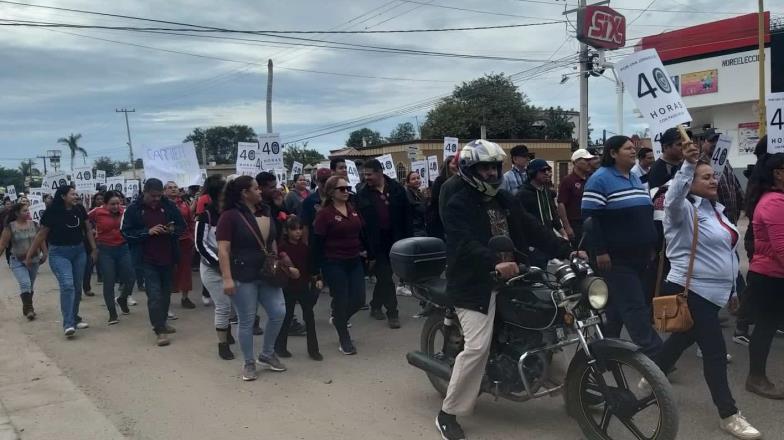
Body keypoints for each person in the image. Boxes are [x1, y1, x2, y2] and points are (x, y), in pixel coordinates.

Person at [436, 140, 574, 440]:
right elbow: (463, 243)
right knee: (476, 348)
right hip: (474, 284)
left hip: (516, 277)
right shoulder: (458, 203)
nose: (490, 173)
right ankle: (449, 412)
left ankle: (572, 395)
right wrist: (494, 262)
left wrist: (567, 249)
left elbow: (533, 226)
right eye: (483, 168)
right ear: (470, 170)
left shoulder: (506, 198)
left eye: (494, 167)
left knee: (547, 331)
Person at [651, 142, 761, 439]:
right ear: (690, 183)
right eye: (706, 177)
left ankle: (651, 373)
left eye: (714, 176)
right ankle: (729, 414)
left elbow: (727, 253)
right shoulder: (682, 211)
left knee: (683, 337)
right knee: (714, 350)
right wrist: (687, 166)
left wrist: (733, 291)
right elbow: (674, 197)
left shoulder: (719, 211)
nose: (713, 180)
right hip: (692, 288)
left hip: (715, 292)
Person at [581, 136, 662, 358]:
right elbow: (590, 219)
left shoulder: (635, 178)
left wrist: (650, 245)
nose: (632, 151)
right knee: (635, 307)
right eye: (627, 148)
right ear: (613, 153)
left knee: (616, 309)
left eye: (633, 148)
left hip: (640, 256)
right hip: (616, 259)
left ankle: (601, 354)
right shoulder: (599, 180)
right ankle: (657, 356)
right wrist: (600, 251)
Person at [217, 176, 287, 381]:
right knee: (246, 320)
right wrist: (227, 278)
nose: (260, 191)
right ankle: (248, 362)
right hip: (243, 275)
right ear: (244, 193)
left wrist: (279, 263)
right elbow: (223, 249)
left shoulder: (265, 210)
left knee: (278, 312)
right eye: (256, 188)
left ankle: (266, 354)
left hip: (267, 273)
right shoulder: (229, 216)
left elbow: (271, 240)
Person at [121, 178, 186, 347]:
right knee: (155, 295)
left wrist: (172, 229)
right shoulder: (134, 209)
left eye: (159, 195)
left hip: (168, 256)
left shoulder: (169, 206)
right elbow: (126, 233)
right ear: (145, 192)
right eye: (153, 196)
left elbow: (182, 226)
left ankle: (162, 322)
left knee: (165, 294)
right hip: (146, 259)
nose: (157, 199)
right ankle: (159, 331)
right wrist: (147, 232)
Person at [26, 185, 97, 337]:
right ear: (63, 196)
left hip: (79, 252)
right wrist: (30, 255)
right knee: (67, 285)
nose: (76, 196)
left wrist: (94, 249)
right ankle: (68, 324)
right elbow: (41, 235)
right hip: (59, 253)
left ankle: (75, 317)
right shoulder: (52, 212)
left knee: (77, 288)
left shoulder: (80, 209)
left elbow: (88, 229)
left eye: (76, 193)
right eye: (72, 194)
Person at [312, 176, 369, 355]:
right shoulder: (324, 214)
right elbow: (317, 242)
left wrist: (366, 250)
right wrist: (316, 270)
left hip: (354, 260)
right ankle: (344, 338)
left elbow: (361, 232)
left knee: (359, 299)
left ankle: (338, 319)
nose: (346, 191)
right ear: (331, 192)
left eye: (347, 188)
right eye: (341, 189)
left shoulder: (352, 209)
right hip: (333, 262)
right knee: (341, 298)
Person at [744, 152, 784, 400]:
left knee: (767, 326)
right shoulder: (774, 203)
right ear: (778, 173)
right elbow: (782, 247)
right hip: (771, 277)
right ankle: (756, 377)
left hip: (774, 275)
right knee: (765, 327)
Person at [356, 159, 412, 329]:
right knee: (386, 277)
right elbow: (360, 223)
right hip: (375, 243)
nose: (366, 178)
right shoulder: (362, 194)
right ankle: (392, 313)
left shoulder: (397, 189)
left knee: (385, 277)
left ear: (379, 172)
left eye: (369, 174)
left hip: (395, 240)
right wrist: (363, 247)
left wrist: (409, 240)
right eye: (364, 175)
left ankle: (375, 305)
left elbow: (407, 216)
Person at [195, 175, 236, 360]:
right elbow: (200, 245)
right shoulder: (205, 216)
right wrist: (219, 263)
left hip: (232, 266)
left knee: (234, 305)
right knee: (223, 306)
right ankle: (223, 344)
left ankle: (227, 331)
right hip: (212, 268)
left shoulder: (232, 213)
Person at [275, 215, 321, 360]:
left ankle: (313, 350)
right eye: (294, 229)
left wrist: (317, 278)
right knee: (287, 317)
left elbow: (311, 266)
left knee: (309, 317)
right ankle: (280, 347)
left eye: (300, 229)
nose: (298, 232)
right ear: (287, 231)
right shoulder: (281, 248)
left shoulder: (304, 247)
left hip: (303, 287)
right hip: (287, 288)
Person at [88, 191, 135, 325]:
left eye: (117, 204)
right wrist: (90, 231)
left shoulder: (125, 211)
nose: (116, 207)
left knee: (131, 277)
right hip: (105, 250)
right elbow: (84, 221)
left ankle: (122, 298)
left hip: (123, 248)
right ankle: (112, 313)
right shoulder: (97, 212)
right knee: (109, 281)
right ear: (105, 204)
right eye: (112, 204)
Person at [517, 159, 566, 268]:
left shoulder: (546, 191)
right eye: (543, 171)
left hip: (547, 238)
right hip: (532, 242)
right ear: (532, 173)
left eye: (549, 170)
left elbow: (552, 214)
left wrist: (563, 233)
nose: (548, 173)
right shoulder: (523, 194)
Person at [0, 202, 45, 320]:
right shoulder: (10, 226)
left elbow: (41, 239)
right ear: (17, 213)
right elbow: (3, 244)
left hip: (34, 260)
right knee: (25, 283)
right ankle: (30, 309)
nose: (27, 212)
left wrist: (45, 253)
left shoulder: (34, 224)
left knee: (30, 284)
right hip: (17, 260)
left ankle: (27, 307)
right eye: (24, 211)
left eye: (28, 210)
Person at [165, 181, 196, 309]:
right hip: (168, 243)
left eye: (175, 187)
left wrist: (192, 237)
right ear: (164, 191)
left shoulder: (184, 205)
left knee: (185, 270)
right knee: (168, 271)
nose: (173, 190)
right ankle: (166, 298)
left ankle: (185, 297)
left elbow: (190, 222)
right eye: (170, 188)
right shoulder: (161, 206)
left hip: (185, 242)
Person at [558, 149, 595, 248]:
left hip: (590, 221)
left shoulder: (591, 179)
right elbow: (561, 204)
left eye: (589, 160)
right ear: (576, 162)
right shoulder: (568, 181)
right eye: (586, 160)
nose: (589, 163)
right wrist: (567, 227)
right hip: (576, 223)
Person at [426, 156, 458, 240]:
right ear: (447, 165)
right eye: (454, 163)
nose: (456, 166)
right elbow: (436, 201)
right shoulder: (440, 181)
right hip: (440, 221)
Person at [301, 168, 334, 245]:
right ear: (316, 181)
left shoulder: (337, 198)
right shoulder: (308, 201)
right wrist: (305, 245)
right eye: (322, 181)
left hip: (335, 243)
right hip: (316, 243)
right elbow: (305, 225)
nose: (325, 183)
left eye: (328, 180)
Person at [83, 191, 105, 297]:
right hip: (89, 241)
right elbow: (85, 222)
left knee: (99, 260)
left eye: (102, 199)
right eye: (98, 199)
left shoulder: (109, 211)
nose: (100, 201)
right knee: (88, 264)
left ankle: (100, 277)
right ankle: (83, 289)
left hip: (103, 240)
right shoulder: (92, 212)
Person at [404, 171, 427, 237]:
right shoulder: (407, 194)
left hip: (421, 228)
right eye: (413, 179)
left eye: (418, 178)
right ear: (408, 182)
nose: (417, 180)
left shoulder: (419, 193)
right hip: (415, 230)